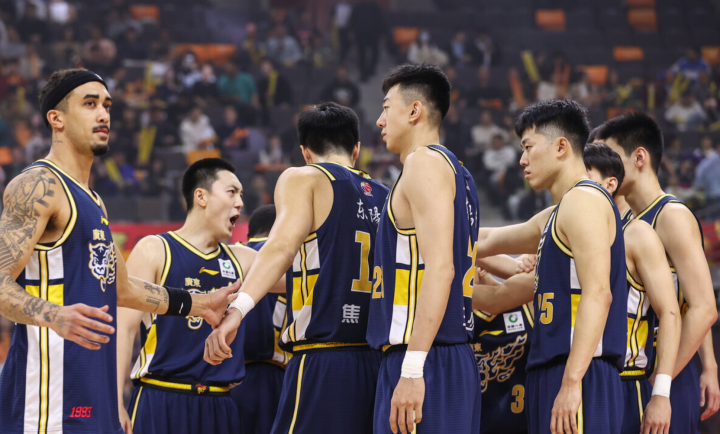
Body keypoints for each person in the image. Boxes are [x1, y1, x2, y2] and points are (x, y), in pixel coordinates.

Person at [0, 68, 237, 434]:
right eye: (90, 104)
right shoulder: (37, 185)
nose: (103, 114)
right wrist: (54, 315)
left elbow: (122, 289)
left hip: (94, 393)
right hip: (46, 401)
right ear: (56, 119)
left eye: (107, 105)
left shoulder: (94, 201)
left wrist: (199, 304)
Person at [205, 102, 389, 434]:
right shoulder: (386, 195)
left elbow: (281, 247)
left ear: (305, 152)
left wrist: (238, 310)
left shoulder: (304, 177)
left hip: (324, 358)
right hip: (379, 362)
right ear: (357, 150)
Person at [475, 99, 627, 434]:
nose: (522, 159)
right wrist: (432, 232)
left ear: (561, 147)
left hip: (579, 370)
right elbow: (489, 240)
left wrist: (572, 382)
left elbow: (599, 294)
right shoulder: (559, 211)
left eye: (528, 147)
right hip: (552, 368)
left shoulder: (584, 200)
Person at [116, 159, 281, 434]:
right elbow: (124, 328)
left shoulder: (242, 259)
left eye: (241, 194)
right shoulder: (154, 249)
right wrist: (115, 401)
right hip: (161, 396)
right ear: (201, 196)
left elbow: (298, 275)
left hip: (220, 403)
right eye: (232, 192)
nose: (240, 202)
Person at [368, 64, 481, 434]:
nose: (380, 120)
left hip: (425, 357)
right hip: (447, 355)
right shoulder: (460, 173)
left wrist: (413, 367)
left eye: (387, 108)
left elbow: (441, 269)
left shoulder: (423, 163)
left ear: (414, 110)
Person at [595, 112, 720, 433]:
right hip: (640, 367)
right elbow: (688, 298)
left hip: (665, 370)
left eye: (610, 157)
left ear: (639, 157)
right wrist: (709, 364)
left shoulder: (671, 216)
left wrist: (659, 383)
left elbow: (704, 308)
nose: (602, 168)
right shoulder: (628, 220)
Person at [231, 205, 290, 434]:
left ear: (249, 234)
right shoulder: (289, 258)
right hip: (277, 375)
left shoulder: (232, 256)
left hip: (230, 376)